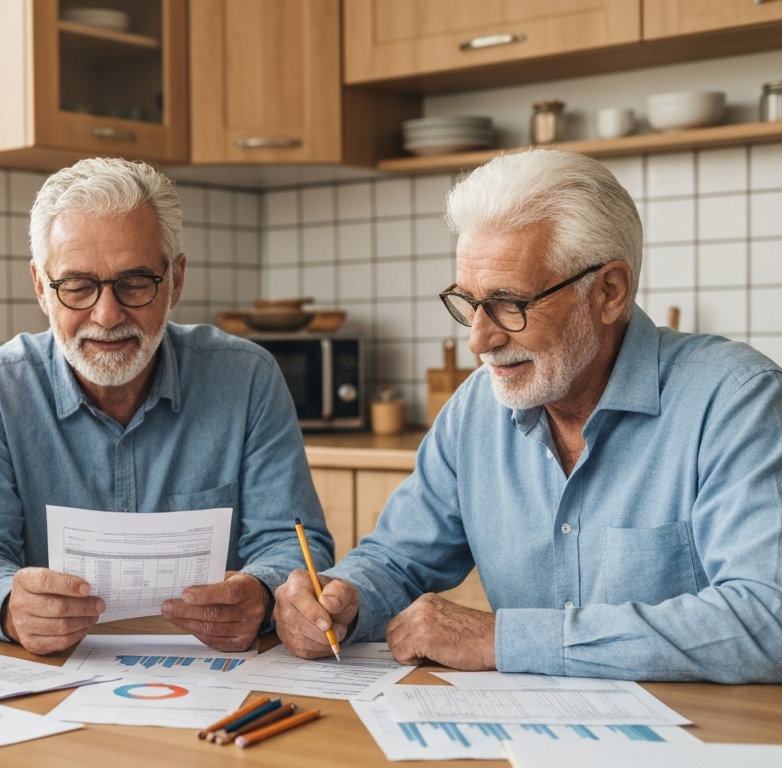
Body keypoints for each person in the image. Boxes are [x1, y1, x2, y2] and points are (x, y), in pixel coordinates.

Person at [274, 149, 782, 683]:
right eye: (468, 302)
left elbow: (767, 617)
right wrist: (342, 598)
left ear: (609, 291)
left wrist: (503, 638)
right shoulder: (475, 409)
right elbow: (396, 561)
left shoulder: (736, 401)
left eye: (510, 304)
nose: (478, 339)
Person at [0, 157, 333, 655]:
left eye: (134, 283)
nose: (106, 315)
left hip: (217, 674)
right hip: (49, 673)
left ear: (176, 281)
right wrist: (8, 608)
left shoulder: (246, 378)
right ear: (42, 286)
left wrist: (261, 592)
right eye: (77, 286)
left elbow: (294, 546)